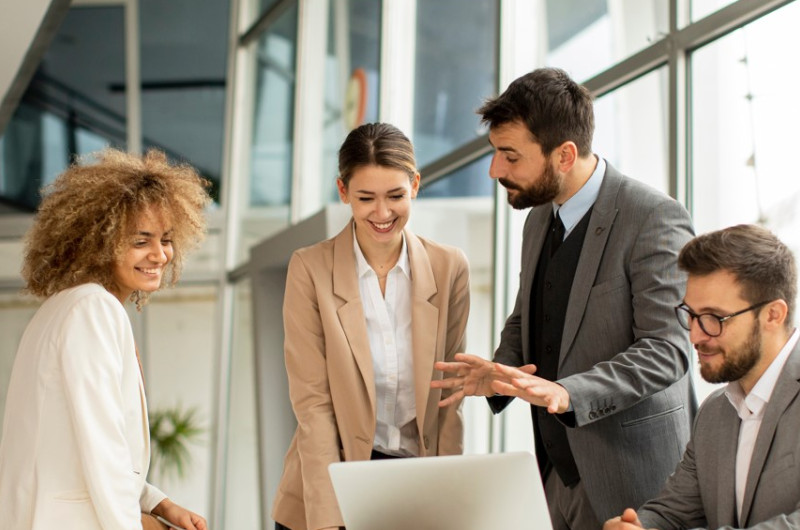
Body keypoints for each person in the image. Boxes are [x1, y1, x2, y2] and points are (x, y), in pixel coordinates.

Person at [432, 67, 695, 527]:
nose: (496, 171)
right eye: (495, 154)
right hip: (557, 476)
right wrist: (501, 372)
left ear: (565, 155)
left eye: (510, 157)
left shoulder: (653, 216)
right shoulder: (538, 219)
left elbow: (667, 351)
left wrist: (567, 393)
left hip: (636, 481)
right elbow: (528, 315)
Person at [604, 224, 800, 529]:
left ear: (774, 314)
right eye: (691, 314)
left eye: (713, 318)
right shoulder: (714, 412)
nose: (695, 334)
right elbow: (672, 512)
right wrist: (638, 526)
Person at [0, 149, 211, 530]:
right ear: (99, 241)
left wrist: (159, 503)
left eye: (166, 239)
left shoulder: (65, 307)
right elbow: (100, 444)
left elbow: (77, 442)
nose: (160, 254)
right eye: (141, 240)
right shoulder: (92, 309)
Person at [271, 123, 471, 530]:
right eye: (366, 198)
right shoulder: (309, 269)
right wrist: (328, 522)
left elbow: (452, 397)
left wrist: (450, 504)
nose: (382, 214)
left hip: (416, 487)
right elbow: (314, 406)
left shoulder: (449, 267)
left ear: (415, 184)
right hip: (333, 483)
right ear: (343, 192)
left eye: (396, 196)